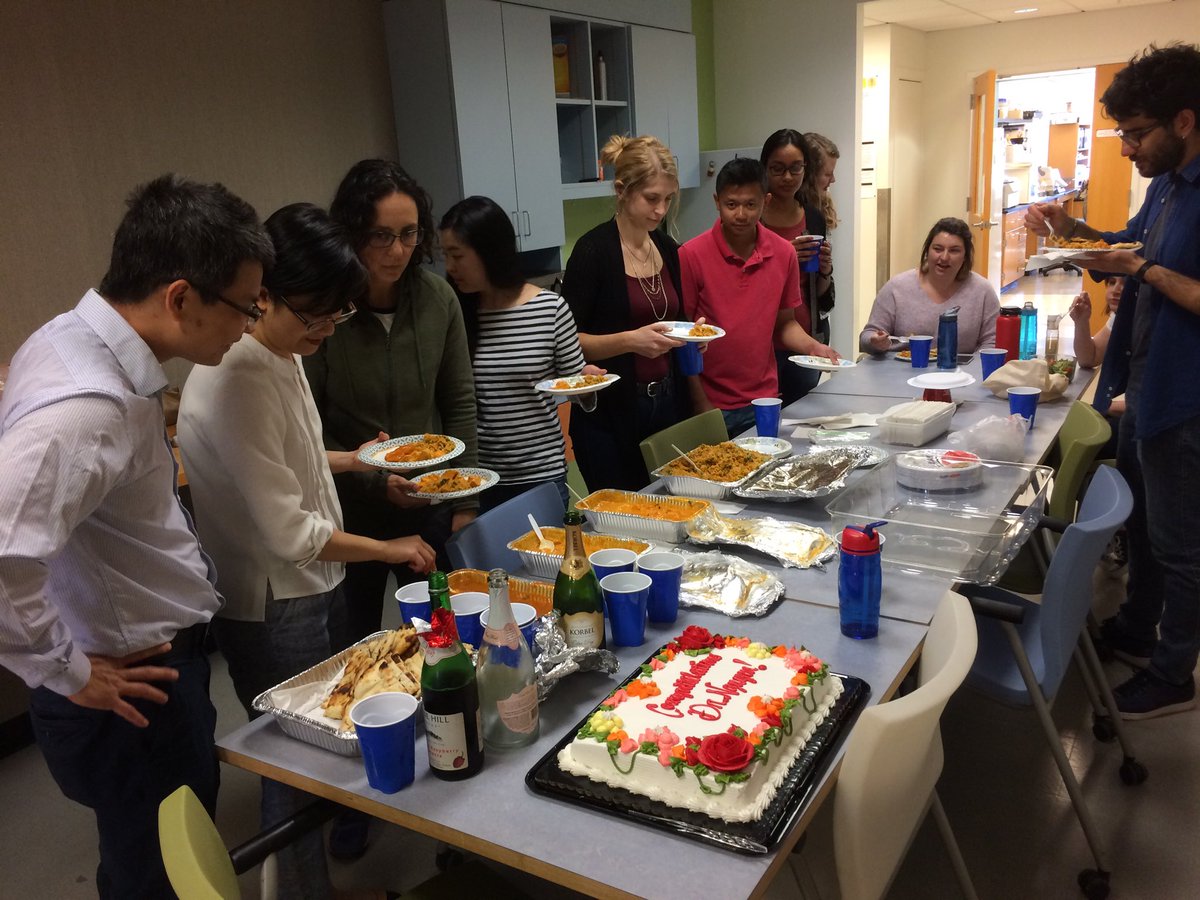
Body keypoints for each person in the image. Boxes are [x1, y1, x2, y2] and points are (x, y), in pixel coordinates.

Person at [0, 174, 273, 898]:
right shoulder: (85, 409)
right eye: (245, 309)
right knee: (162, 877)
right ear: (181, 297)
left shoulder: (73, 338)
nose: (249, 327)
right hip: (129, 690)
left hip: (144, 667)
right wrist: (68, 672)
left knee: (145, 858)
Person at [178, 204, 435, 899]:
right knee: (292, 766)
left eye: (337, 316)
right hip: (273, 599)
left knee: (311, 748)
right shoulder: (237, 374)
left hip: (305, 582)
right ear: (263, 294)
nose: (325, 331)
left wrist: (356, 460)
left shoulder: (279, 350)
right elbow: (290, 530)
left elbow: (288, 459)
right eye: (315, 316)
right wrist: (388, 547)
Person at [1026, 43, 1200, 719]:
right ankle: (1134, 626)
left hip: (1187, 398)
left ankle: (1172, 670)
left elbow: (1145, 266)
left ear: (1183, 120)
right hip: (1144, 386)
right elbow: (1125, 244)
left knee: (1183, 545)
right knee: (1151, 528)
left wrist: (1144, 270)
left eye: (1136, 133)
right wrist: (1072, 231)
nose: (1127, 148)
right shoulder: (1166, 187)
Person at [305, 160, 478, 652]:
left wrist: (464, 500)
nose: (398, 251)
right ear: (353, 233)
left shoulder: (437, 299)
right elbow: (309, 424)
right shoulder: (326, 310)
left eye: (408, 234)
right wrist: (376, 480)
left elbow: (459, 399)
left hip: (431, 505)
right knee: (359, 644)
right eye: (381, 236)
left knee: (444, 638)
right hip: (349, 511)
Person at [440, 196, 603, 511]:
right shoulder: (454, 312)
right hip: (477, 480)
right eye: (444, 255)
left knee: (548, 560)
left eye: (457, 255)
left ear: (489, 253)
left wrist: (586, 383)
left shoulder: (550, 308)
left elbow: (574, 389)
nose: (449, 267)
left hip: (540, 476)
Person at [562, 135, 691, 491]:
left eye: (667, 199)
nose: (661, 210)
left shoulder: (666, 246)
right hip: (610, 414)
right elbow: (567, 342)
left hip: (665, 403)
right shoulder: (593, 251)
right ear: (622, 190)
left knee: (669, 508)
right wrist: (631, 341)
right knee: (623, 521)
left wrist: (690, 336)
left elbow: (674, 315)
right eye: (652, 199)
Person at [680, 157, 839, 436]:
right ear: (717, 201)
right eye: (731, 204)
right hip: (711, 402)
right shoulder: (691, 255)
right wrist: (698, 402)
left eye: (750, 205)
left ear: (765, 201)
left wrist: (814, 347)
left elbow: (785, 323)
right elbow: (684, 338)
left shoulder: (783, 253)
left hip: (764, 398)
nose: (741, 214)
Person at [860, 217, 1000, 354]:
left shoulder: (983, 291)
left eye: (954, 250)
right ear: (927, 251)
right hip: (902, 372)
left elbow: (992, 343)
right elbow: (867, 337)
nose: (944, 257)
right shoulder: (896, 287)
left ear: (965, 256)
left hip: (962, 374)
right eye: (938, 249)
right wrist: (876, 342)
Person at [759, 129, 828, 404]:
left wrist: (825, 269)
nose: (787, 177)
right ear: (764, 168)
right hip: (762, 339)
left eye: (795, 168)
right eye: (777, 169)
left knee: (803, 415)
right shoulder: (751, 218)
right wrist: (785, 254)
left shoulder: (813, 217)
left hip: (803, 333)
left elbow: (820, 292)